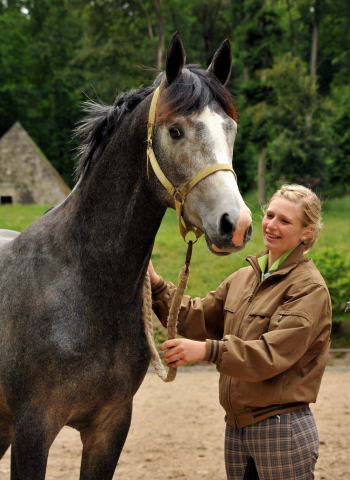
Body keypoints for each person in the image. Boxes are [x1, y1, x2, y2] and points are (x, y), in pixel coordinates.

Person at [148, 184, 331, 480]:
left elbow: (271, 354)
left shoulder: (308, 289)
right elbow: (197, 317)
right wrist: (156, 284)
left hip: (280, 429)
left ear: (307, 233)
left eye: (285, 221)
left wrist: (208, 350)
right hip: (236, 428)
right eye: (270, 215)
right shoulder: (245, 277)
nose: (271, 225)